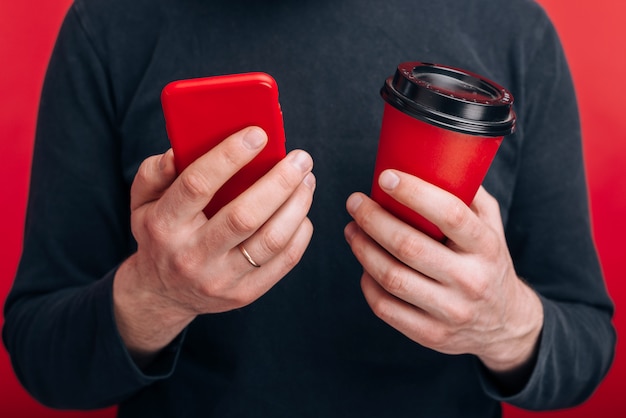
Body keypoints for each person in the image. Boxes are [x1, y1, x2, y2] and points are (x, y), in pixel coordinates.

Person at [3, 0, 615, 416]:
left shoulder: (515, 27)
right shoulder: (109, 23)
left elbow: (588, 345)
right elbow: (39, 353)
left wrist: (506, 324)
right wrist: (153, 298)